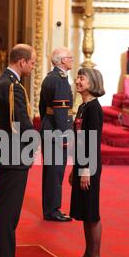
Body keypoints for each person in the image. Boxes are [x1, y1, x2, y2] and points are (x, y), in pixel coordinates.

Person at [0, 44, 37, 257]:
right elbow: (22, 123)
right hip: (15, 154)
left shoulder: (0, 81)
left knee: (2, 207)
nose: (32, 66)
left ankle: (2, 255)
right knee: (9, 210)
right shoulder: (13, 87)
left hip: (4, 151)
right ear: (21, 61)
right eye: (32, 62)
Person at [68, 68, 105, 257]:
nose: (78, 80)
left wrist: (85, 171)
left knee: (92, 212)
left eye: (82, 78)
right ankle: (87, 254)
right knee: (84, 210)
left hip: (90, 166)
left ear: (92, 83)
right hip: (82, 163)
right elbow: (79, 139)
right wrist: (75, 168)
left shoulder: (94, 108)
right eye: (78, 77)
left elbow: (92, 142)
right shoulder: (83, 106)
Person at [39, 47, 74, 222]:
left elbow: (42, 107)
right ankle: (53, 210)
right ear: (61, 61)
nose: (72, 60)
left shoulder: (49, 78)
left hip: (48, 127)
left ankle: (50, 208)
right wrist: (64, 135)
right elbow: (61, 112)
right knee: (55, 172)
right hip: (57, 130)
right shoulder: (59, 80)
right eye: (70, 58)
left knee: (51, 171)